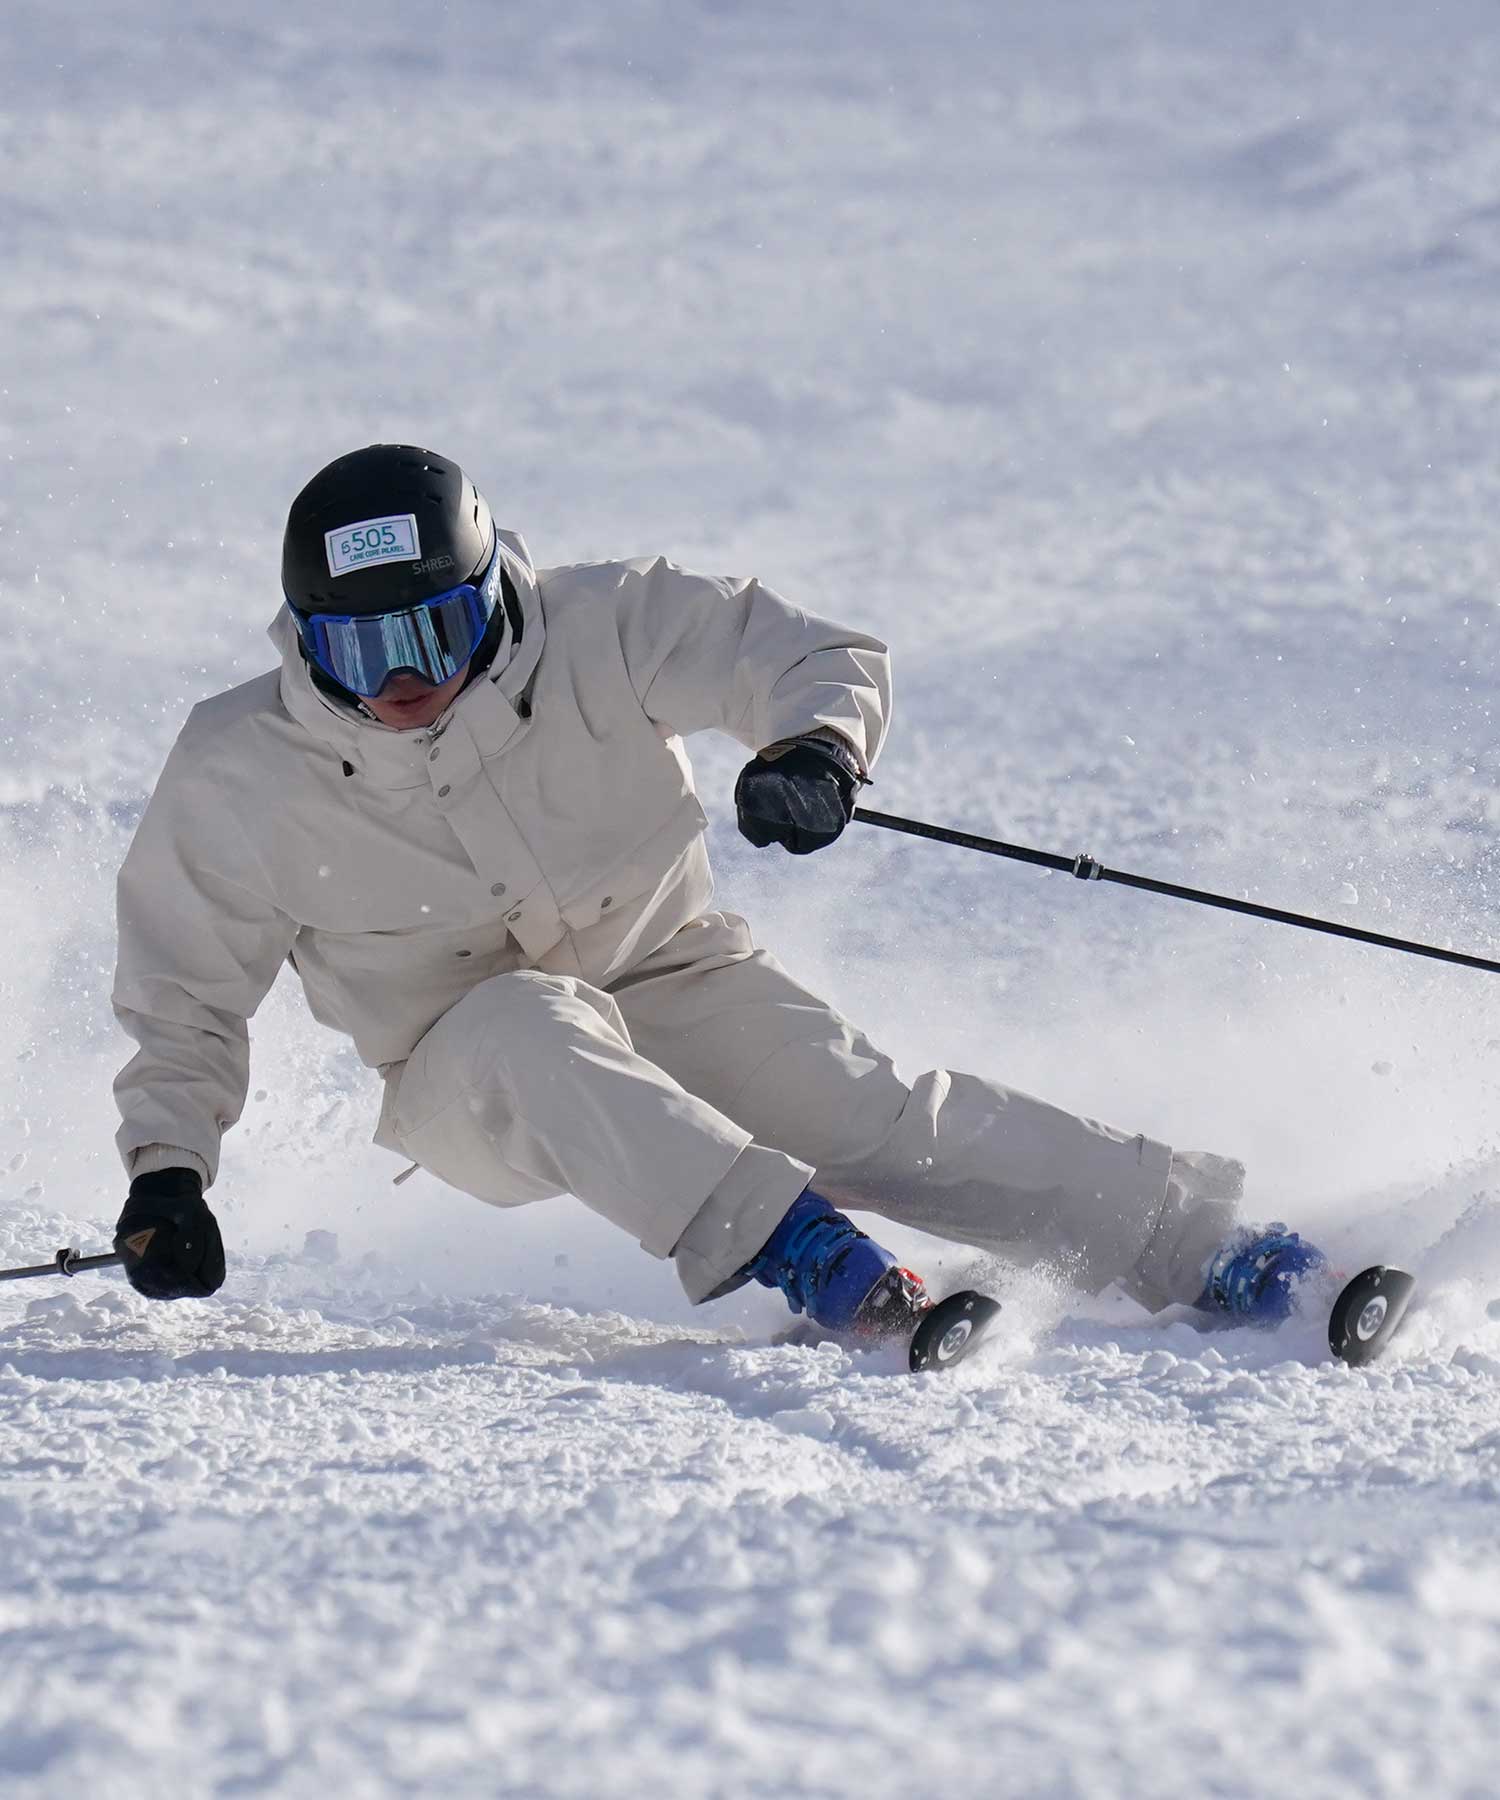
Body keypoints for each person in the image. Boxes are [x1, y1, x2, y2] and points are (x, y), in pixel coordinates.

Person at [110, 445, 1324, 1336]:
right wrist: (169, 1169)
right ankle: (812, 1257)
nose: (401, 682)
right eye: (357, 651)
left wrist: (815, 750)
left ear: (488, 601)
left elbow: (801, 653)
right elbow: (183, 993)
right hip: (460, 1069)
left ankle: (1198, 1245)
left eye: (430, 635)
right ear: (305, 643)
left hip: (664, 965)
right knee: (528, 1025)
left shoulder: (601, 623)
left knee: (867, 1115)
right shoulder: (241, 769)